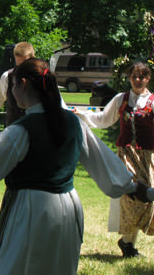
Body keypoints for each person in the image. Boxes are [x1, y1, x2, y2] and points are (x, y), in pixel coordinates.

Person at [0, 58, 150, 275]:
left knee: (18, 266)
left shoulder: (21, 131)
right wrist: (135, 188)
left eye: (12, 86)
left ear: (22, 85)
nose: (11, 93)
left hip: (31, 209)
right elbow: (105, 164)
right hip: (69, 209)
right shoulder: (73, 123)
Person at [74, 61, 154, 258]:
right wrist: (82, 116)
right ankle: (128, 246)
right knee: (132, 196)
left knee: (148, 199)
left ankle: (127, 243)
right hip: (127, 154)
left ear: (148, 78)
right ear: (129, 78)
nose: (138, 80)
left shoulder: (153, 101)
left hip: (148, 156)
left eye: (142, 76)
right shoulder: (122, 99)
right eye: (134, 76)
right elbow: (103, 119)